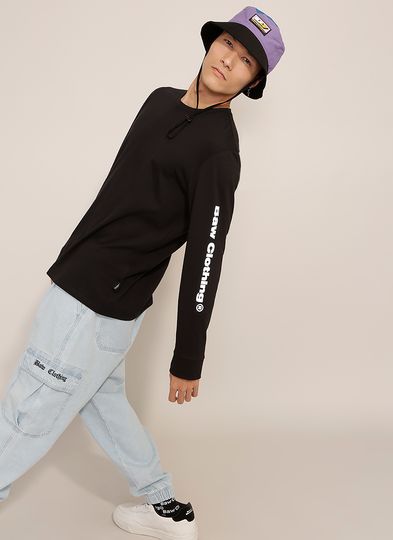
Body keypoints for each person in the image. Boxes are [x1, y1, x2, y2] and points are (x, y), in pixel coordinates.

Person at [0, 5, 285, 539]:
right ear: (213, 42)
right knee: (103, 404)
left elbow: (206, 257)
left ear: (252, 83)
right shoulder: (158, 101)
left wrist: (188, 356)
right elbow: (120, 195)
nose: (229, 60)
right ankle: (165, 507)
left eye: (246, 60)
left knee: (27, 409)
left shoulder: (218, 152)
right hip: (87, 283)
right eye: (229, 44)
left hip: (96, 302)